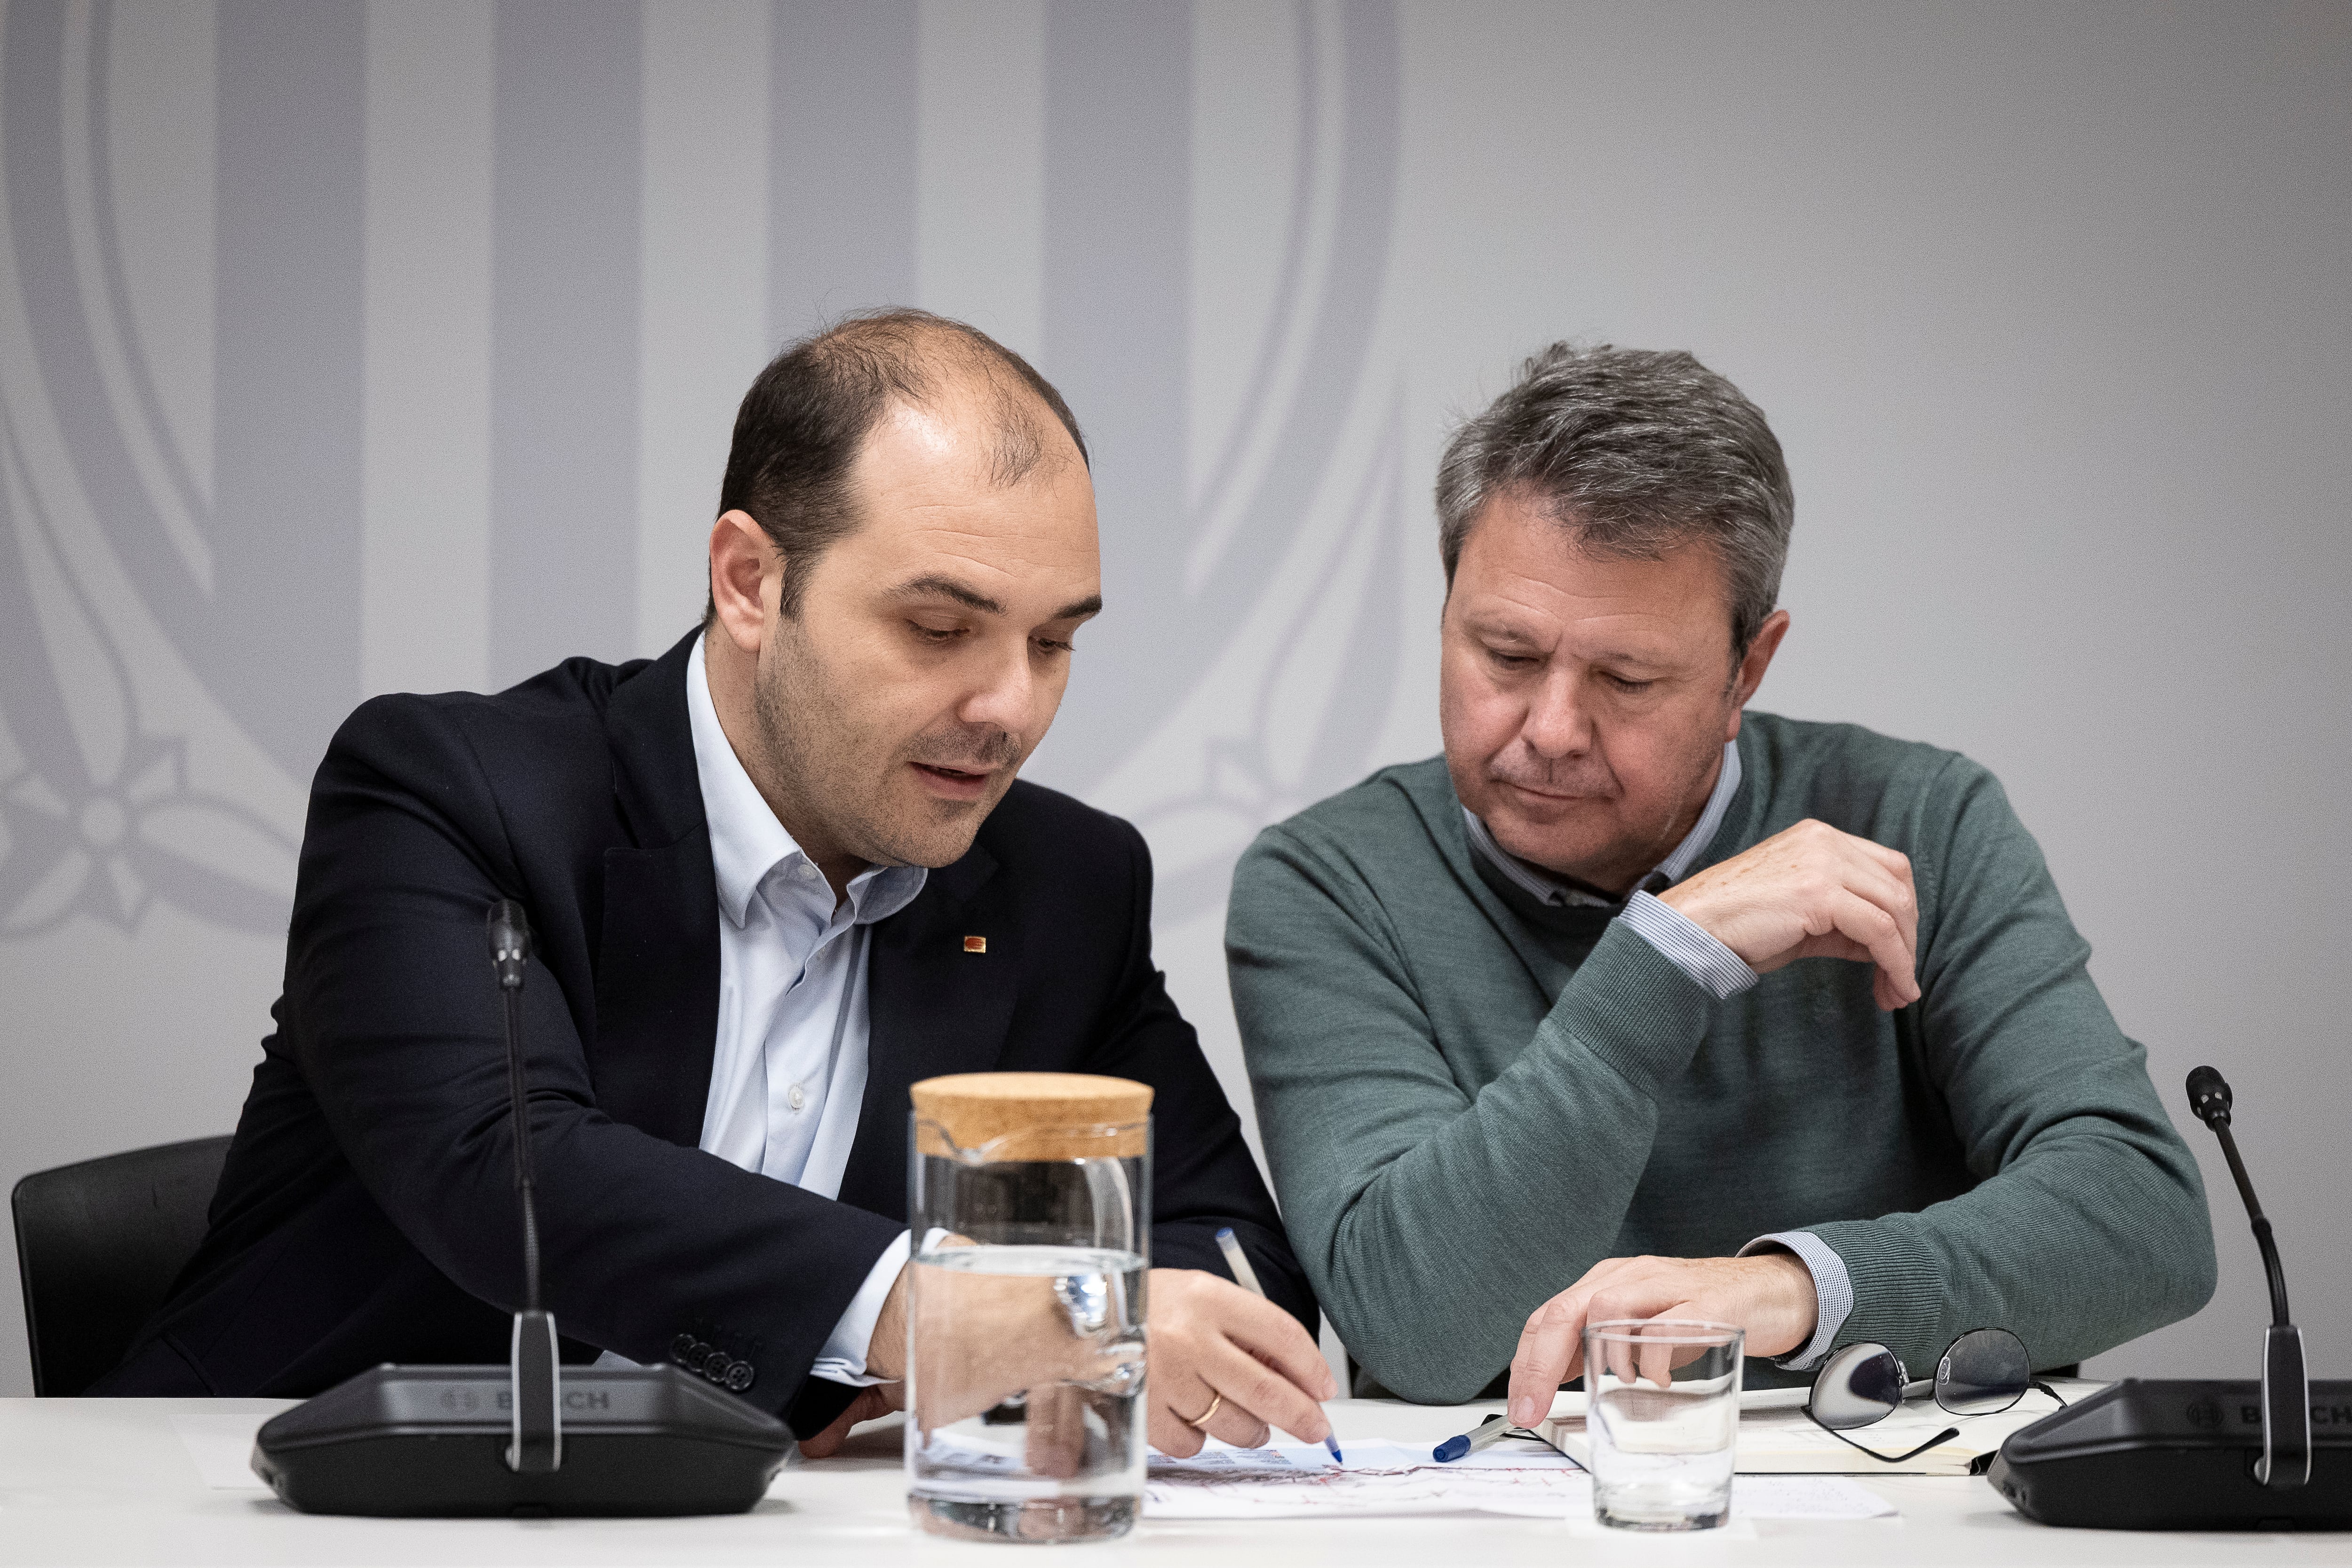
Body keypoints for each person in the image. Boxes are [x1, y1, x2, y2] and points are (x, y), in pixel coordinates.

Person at [100, 310, 1336, 1462]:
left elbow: (1228, 1269)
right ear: (751, 581)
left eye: (1054, 640)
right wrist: (953, 1313)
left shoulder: (1064, 883)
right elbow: (505, 1168)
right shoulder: (453, 790)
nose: (1011, 705)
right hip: (293, 1496)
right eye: (940, 627)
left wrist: (1031, 1346)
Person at [1226, 342, 2216, 1419]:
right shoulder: (1328, 880)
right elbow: (1418, 1323)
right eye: (1504, 653)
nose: (1549, 728)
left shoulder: (1918, 820)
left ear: (1749, 667)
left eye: (1627, 677)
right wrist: (1669, 954)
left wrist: (1792, 1286)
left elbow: (2143, 1220)